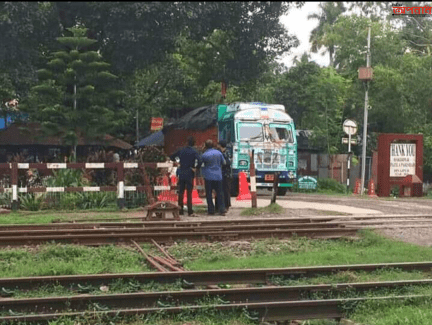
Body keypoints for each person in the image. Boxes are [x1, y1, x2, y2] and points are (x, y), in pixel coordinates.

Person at [170, 136, 201, 216]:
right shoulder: (194, 151)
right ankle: (190, 210)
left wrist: (177, 162)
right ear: (194, 143)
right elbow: (200, 160)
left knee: (181, 191)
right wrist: (196, 168)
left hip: (181, 171)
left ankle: (180, 209)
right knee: (189, 192)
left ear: (187, 142)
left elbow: (172, 156)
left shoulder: (181, 150)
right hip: (190, 172)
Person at [201, 139, 226, 216]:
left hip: (208, 176)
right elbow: (224, 163)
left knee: (209, 194)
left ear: (205, 146)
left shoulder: (204, 155)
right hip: (218, 176)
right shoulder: (219, 153)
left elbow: (201, 164)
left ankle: (211, 210)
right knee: (219, 193)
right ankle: (221, 210)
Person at [215, 140, 231, 212]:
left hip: (225, 174)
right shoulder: (219, 152)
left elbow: (228, 162)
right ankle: (218, 205)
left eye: (218, 145)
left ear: (220, 145)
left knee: (225, 190)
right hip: (220, 173)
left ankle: (226, 205)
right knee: (219, 190)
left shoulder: (226, 153)